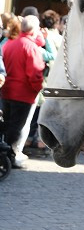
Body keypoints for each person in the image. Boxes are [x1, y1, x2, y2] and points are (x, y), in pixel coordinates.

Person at [0, 15, 45, 168]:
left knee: (6, 126)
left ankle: (5, 155)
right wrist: (38, 89)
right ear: (34, 29)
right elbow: (35, 74)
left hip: (6, 91)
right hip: (23, 94)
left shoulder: (9, 43)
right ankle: (9, 157)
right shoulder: (31, 47)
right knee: (16, 128)